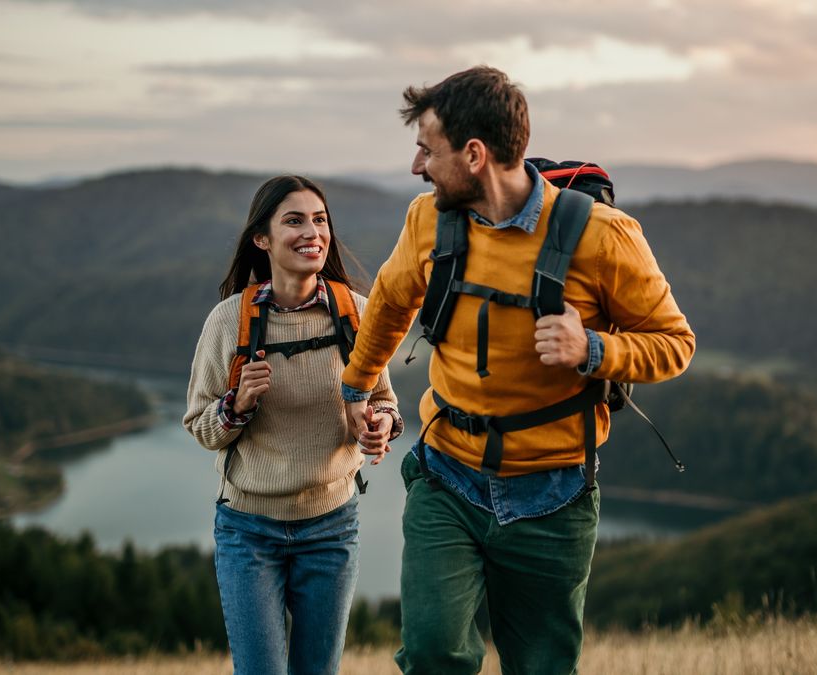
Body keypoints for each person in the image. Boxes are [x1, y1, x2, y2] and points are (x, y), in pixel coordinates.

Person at [340, 66, 695, 673]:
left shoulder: (602, 237)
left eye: (428, 148)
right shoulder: (427, 220)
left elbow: (674, 343)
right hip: (446, 475)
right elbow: (394, 302)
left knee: (541, 665)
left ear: (474, 155)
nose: (416, 166)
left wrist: (593, 350)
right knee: (431, 652)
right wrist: (356, 385)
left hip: (553, 494)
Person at [183, 175, 403, 675]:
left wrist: (377, 426)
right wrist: (236, 405)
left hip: (332, 526)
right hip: (248, 531)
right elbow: (199, 424)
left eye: (320, 220)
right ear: (262, 239)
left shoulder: (356, 314)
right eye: (295, 220)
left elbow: (386, 403)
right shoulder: (228, 321)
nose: (313, 232)